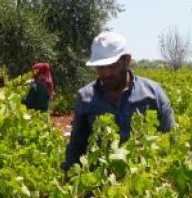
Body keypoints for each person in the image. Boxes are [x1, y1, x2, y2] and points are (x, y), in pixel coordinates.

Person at [62, 31, 175, 171]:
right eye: (101, 68)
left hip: (147, 179)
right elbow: (76, 146)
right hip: (100, 183)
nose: (106, 74)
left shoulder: (153, 93)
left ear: (127, 60)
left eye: (112, 66)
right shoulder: (85, 98)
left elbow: (171, 139)